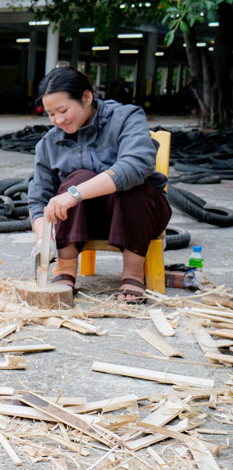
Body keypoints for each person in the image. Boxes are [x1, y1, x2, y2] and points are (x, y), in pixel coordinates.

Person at [27, 66, 171, 302]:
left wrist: (74, 193)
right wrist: (44, 239)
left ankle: (133, 274)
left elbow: (137, 165)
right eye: (51, 114)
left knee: (130, 184)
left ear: (86, 97)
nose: (58, 120)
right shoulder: (49, 143)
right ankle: (64, 268)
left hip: (140, 217)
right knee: (77, 177)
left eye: (63, 110)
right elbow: (39, 196)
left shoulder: (127, 117)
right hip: (82, 223)